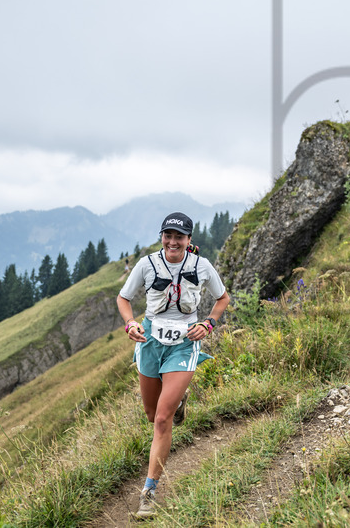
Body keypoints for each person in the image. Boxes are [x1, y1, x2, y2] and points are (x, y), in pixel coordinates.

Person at [115, 211, 230, 518]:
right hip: (150, 341)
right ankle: (178, 402)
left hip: (184, 342)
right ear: (162, 237)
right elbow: (124, 299)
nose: (173, 242)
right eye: (168, 235)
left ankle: (148, 493)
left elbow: (222, 298)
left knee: (163, 420)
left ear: (189, 240)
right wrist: (130, 324)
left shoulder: (202, 266)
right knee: (152, 414)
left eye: (180, 237)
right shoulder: (147, 264)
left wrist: (208, 324)